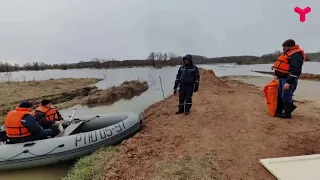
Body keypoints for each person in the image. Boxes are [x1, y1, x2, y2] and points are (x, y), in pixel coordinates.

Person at [272, 39, 305, 118]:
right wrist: (277, 75)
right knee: (280, 95)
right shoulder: (286, 54)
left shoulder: (297, 55)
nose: (283, 48)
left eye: (285, 47)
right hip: (282, 78)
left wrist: (289, 82)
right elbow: (281, 66)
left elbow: (296, 70)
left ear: (290, 47)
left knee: (286, 96)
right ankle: (279, 111)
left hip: (289, 79)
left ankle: (287, 113)